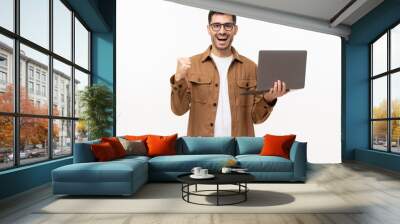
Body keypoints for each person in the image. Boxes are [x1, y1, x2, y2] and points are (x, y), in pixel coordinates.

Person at [170, 11, 288, 137]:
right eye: (216, 25)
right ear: (208, 29)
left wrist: (269, 98)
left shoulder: (251, 68)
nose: (222, 31)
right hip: (202, 149)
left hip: (237, 151)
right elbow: (178, 110)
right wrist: (179, 78)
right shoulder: (191, 65)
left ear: (235, 30)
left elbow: (256, 118)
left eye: (228, 26)